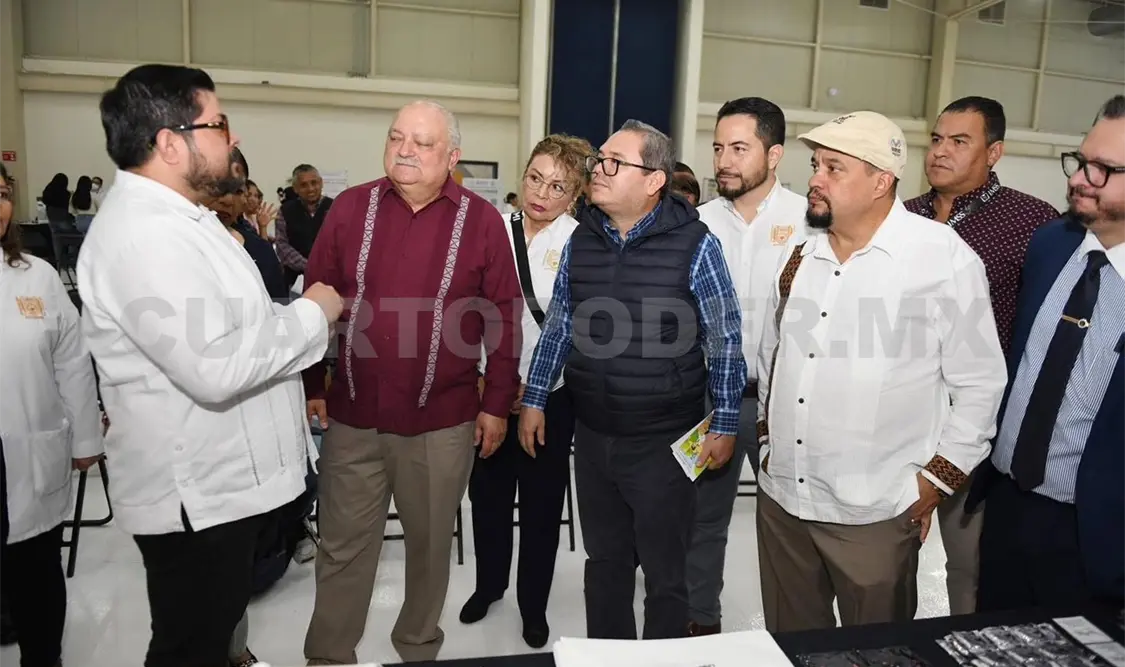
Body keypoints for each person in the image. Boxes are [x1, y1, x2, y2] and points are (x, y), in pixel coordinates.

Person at [77, 63, 343, 667]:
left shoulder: (186, 223)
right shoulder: (143, 236)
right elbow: (217, 366)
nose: (234, 138)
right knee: (190, 647)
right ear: (170, 142)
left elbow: (241, 332)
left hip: (219, 493)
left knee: (211, 637)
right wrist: (312, 313)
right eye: (219, 123)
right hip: (193, 500)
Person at [754, 111, 1007, 633]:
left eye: (834, 168)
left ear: (880, 181)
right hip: (783, 502)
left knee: (880, 650)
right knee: (793, 645)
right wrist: (765, 441)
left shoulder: (942, 260)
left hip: (874, 512)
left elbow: (981, 383)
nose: (815, 180)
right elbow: (772, 352)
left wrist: (937, 480)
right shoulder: (801, 249)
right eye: (816, 164)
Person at [301, 99, 522, 664]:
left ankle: (418, 647)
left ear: (452, 156)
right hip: (352, 418)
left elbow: (502, 315)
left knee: (428, 550)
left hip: (440, 424)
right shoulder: (350, 209)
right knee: (343, 548)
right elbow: (314, 301)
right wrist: (313, 386)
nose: (405, 150)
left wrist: (496, 403)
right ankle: (329, 655)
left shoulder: (482, 222)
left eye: (422, 143)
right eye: (397, 136)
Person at [518, 119, 747, 641]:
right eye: (600, 159)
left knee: (667, 574)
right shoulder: (583, 241)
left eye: (614, 162)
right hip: (594, 435)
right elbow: (560, 325)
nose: (599, 169)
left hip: (664, 441)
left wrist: (727, 421)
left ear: (653, 182)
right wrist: (535, 397)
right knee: (605, 564)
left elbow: (725, 336)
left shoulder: (695, 245)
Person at [904, 96, 1059, 616]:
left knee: (969, 566)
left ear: (994, 152)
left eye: (959, 141)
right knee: (891, 555)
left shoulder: (1035, 223)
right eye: (937, 139)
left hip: (979, 425)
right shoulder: (903, 218)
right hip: (901, 419)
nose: (941, 151)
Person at [969, 95, 1125, 611]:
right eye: (1082, 161)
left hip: (1094, 535)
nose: (1081, 178)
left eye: (1104, 169)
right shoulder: (1050, 245)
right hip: (1008, 505)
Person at [459, 134, 591, 649]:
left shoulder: (581, 242)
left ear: (575, 193)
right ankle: (488, 586)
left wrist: (533, 390)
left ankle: (532, 605)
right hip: (488, 390)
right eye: (535, 178)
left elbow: (576, 325)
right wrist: (484, 377)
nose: (541, 193)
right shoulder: (489, 228)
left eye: (558, 186)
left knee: (540, 505)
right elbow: (465, 308)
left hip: (551, 395)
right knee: (487, 497)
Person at [690, 96, 808, 636]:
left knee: (786, 526)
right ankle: (698, 625)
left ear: (774, 154)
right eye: (718, 148)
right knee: (701, 521)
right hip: (710, 400)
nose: (724, 161)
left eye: (739, 148)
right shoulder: (697, 222)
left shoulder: (809, 220)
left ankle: (794, 634)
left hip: (781, 402)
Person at [0, 162, 103, 667]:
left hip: (26, 451)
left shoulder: (35, 276)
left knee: (36, 576)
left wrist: (86, 439)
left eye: (1, 193)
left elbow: (72, 360)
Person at [275, 164, 332, 288]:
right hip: (294, 280)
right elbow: (281, 245)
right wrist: (308, 266)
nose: (310, 189)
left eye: (314, 183)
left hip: (329, 278)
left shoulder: (335, 207)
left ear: (321, 183)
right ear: (295, 188)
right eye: (304, 185)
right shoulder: (285, 210)